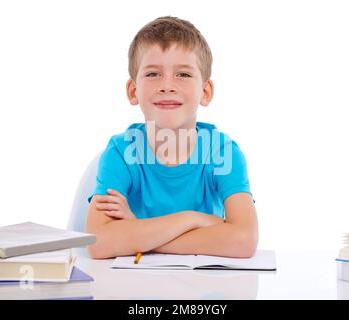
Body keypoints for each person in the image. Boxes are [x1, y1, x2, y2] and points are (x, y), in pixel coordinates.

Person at [86, 16, 258, 259]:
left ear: (205, 92)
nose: (167, 85)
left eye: (183, 75)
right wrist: (194, 220)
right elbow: (99, 243)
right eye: (153, 74)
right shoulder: (121, 151)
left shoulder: (223, 152)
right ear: (133, 91)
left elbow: (243, 240)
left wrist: (137, 235)